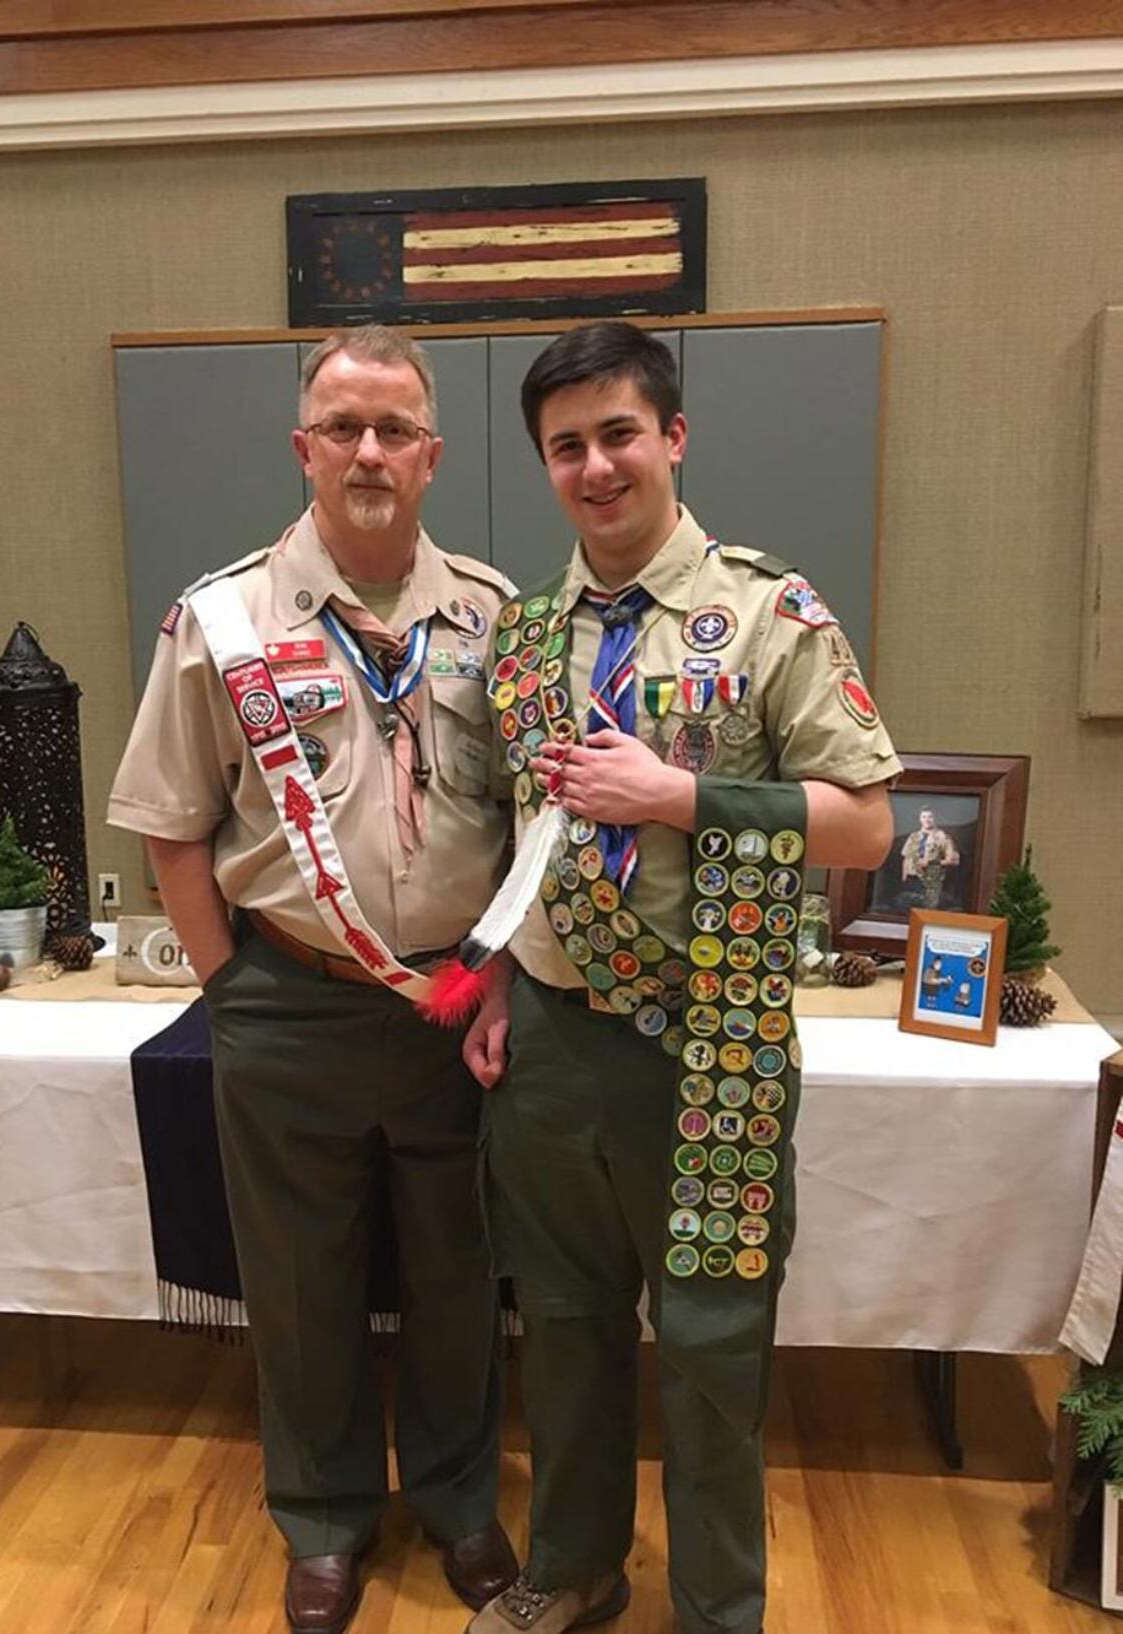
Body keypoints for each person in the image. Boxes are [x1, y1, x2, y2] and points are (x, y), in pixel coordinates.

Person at [462, 321, 901, 1634]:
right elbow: (512, 832)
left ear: (671, 437)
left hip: (707, 1045)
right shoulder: (527, 635)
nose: (595, 467)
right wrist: (490, 979)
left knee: (709, 1346)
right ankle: (574, 1566)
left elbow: (865, 823)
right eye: (565, 446)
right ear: (544, 462)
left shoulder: (771, 615)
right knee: (565, 1318)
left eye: (617, 434)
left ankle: (717, 1607)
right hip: (543, 1037)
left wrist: (682, 794)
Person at [108, 325, 518, 1634]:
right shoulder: (218, 618)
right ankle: (325, 1516)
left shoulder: (497, 617)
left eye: (393, 428)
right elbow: (172, 824)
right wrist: (233, 987)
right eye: (341, 425)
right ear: (302, 447)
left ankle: (457, 1498)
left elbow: (536, 823)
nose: (367, 450)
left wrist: (502, 974)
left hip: (454, 1004)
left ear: (433, 455)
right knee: (298, 1275)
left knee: (459, 1267)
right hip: (284, 994)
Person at [900, 807, 960, 908]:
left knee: (929, 908)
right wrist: (904, 878)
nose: (927, 820)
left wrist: (931, 863)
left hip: (931, 880)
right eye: (924, 817)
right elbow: (906, 858)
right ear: (920, 819)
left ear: (935, 818)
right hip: (912, 879)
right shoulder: (913, 836)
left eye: (930, 817)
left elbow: (954, 861)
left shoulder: (943, 837)